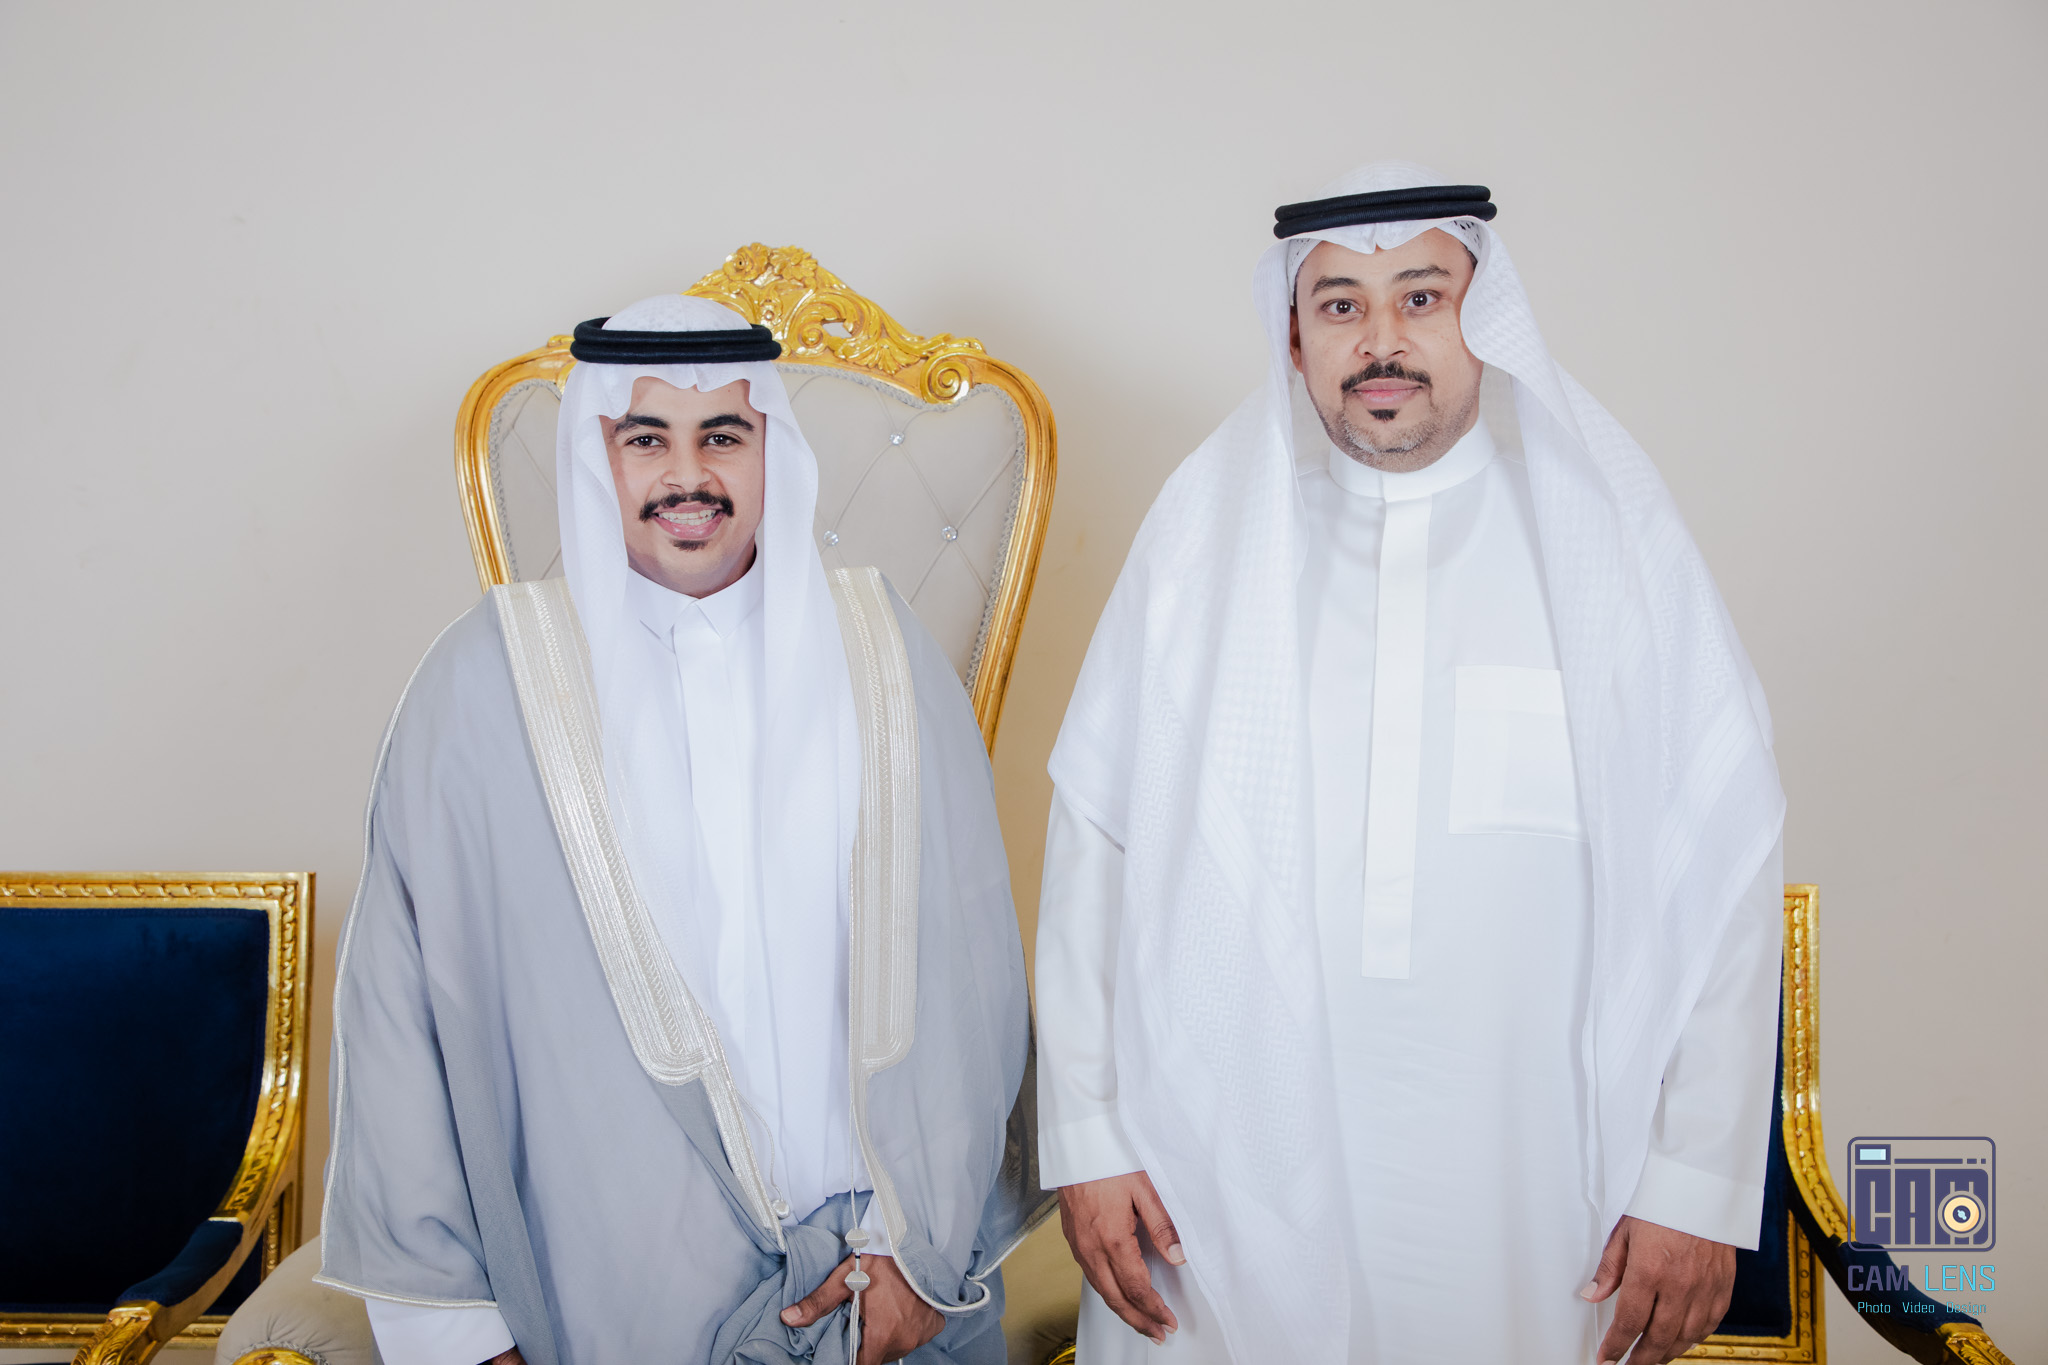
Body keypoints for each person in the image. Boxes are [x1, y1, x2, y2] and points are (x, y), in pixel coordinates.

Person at [1035, 163, 1785, 1364]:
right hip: (1213, 1173)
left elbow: (1722, 869)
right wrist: (1086, 1138)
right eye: (1339, 305)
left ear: (1486, 319)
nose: (1379, 340)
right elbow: (1095, 854)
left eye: (1420, 298)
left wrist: (1693, 1184)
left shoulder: (1609, 554)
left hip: (1535, 1184)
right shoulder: (1199, 553)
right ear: (1292, 338)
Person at [317, 295, 1045, 1365]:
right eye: (646, 438)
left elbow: (968, 970)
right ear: (594, 458)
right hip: (604, 1296)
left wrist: (916, 1255)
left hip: (879, 1288)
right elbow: (400, 1017)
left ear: (770, 450)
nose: (688, 475)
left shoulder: (879, 652)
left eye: (724, 435)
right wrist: (457, 1336)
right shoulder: (482, 684)